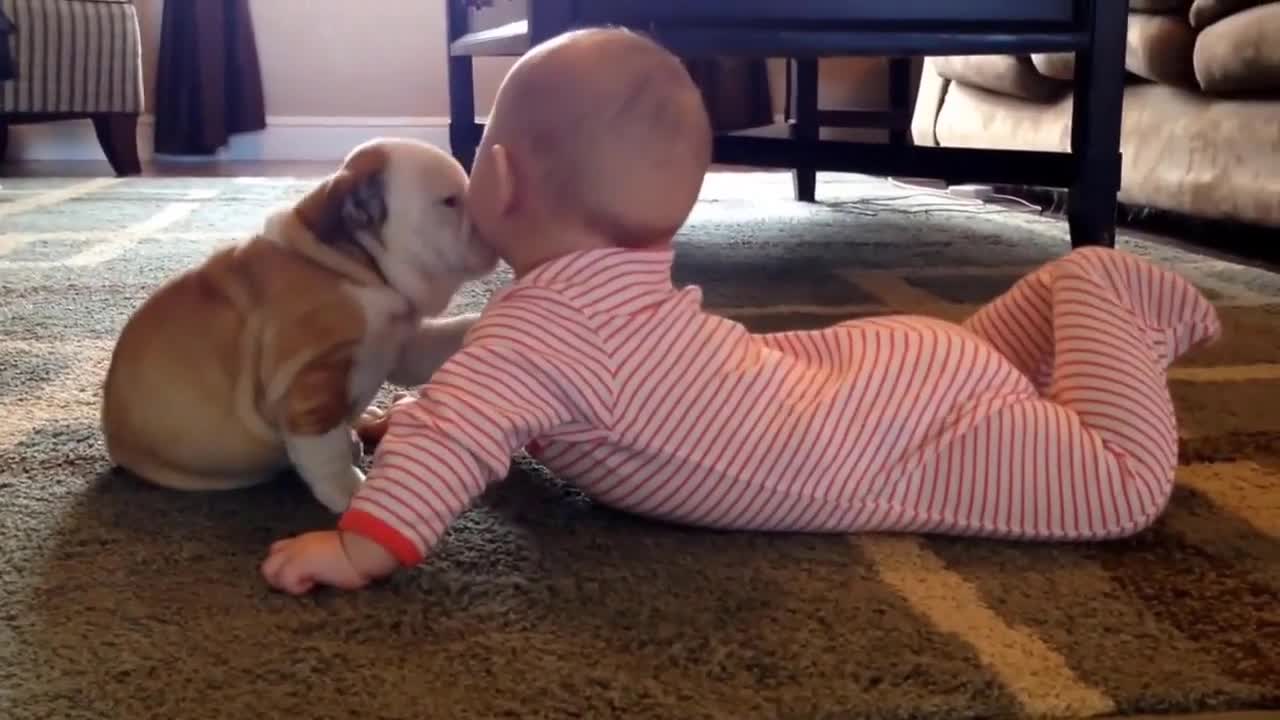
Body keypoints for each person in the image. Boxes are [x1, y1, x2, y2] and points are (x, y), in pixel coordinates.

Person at [261, 27, 1221, 595]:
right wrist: (420, 417)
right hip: (895, 373)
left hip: (905, 435)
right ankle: (1059, 304)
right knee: (985, 359)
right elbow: (487, 410)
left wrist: (362, 542)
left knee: (1119, 484)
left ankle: (1096, 286)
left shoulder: (536, 330)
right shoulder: (592, 310)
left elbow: (465, 427)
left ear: (499, 178)